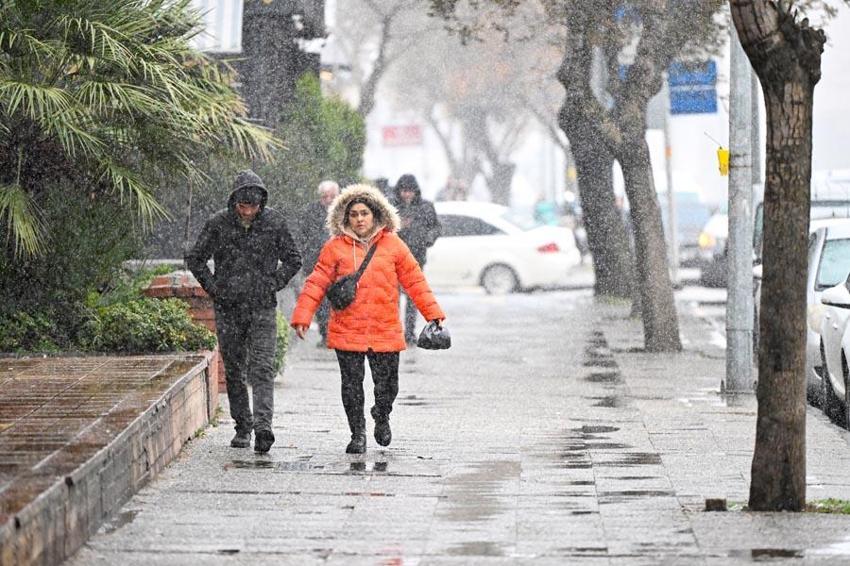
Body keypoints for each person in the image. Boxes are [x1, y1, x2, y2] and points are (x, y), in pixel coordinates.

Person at [290, 184, 445, 454]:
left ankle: (381, 414)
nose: (359, 219)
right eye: (354, 215)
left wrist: (433, 315)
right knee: (351, 386)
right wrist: (303, 315)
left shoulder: (394, 245)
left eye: (364, 213)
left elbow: (415, 281)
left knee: (388, 386)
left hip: (385, 328)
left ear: (376, 215)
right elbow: (317, 281)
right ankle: (357, 434)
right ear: (345, 217)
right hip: (347, 328)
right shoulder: (335, 247)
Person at [186, 170, 302, 453]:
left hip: (262, 306)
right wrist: (215, 288)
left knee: (262, 367)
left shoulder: (274, 223)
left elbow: (293, 259)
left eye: (253, 207)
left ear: (261, 204)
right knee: (235, 369)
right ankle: (243, 426)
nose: (248, 212)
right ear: (235, 203)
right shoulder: (218, 224)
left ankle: (263, 427)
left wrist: (273, 282)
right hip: (229, 308)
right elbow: (196, 258)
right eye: (243, 206)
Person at [394, 174, 441, 343]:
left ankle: (409, 332)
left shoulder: (425, 207)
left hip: (416, 258)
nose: (407, 195)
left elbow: (436, 227)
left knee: (413, 297)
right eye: (404, 191)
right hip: (394, 259)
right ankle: (394, 330)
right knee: (393, 297)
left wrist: (427, 239)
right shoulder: (392, 207)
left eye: (410, 191)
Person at [297, 180, 340, 346]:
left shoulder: (344, 211)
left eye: (331, 196)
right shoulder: (310, 212)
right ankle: (325, 333)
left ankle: (337, 333)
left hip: (339, 265)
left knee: (338, 300)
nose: (328, 200)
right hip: (316, 263)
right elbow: (303, 236)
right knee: (321, 302)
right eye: (324, 197)